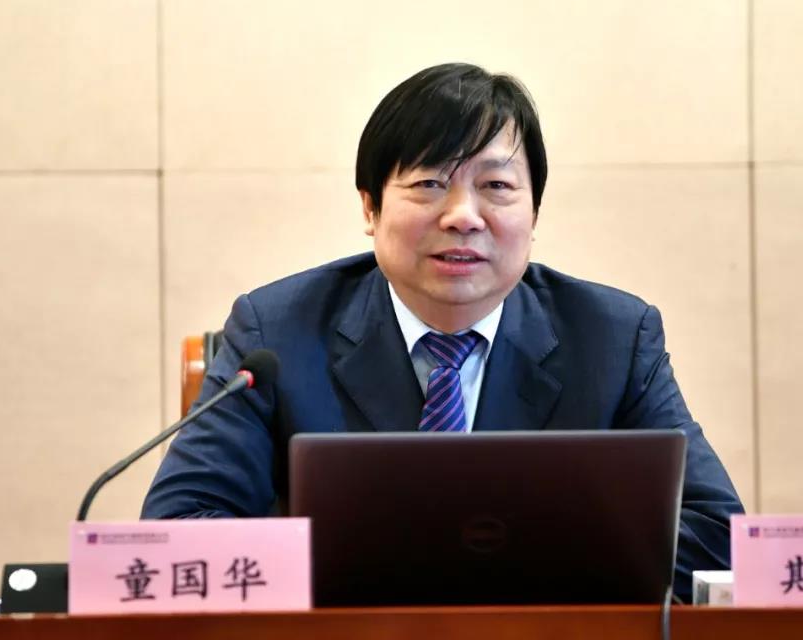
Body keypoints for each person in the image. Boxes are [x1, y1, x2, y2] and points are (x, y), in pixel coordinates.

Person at [141, 62, 744, 600]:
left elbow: (717, 538)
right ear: (370, 207)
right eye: (429, 183)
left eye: (496, 186)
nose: (462, 216)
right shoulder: (276, 331)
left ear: (534, 213)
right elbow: (179, 531)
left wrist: (488, 564)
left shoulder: (612, 338)